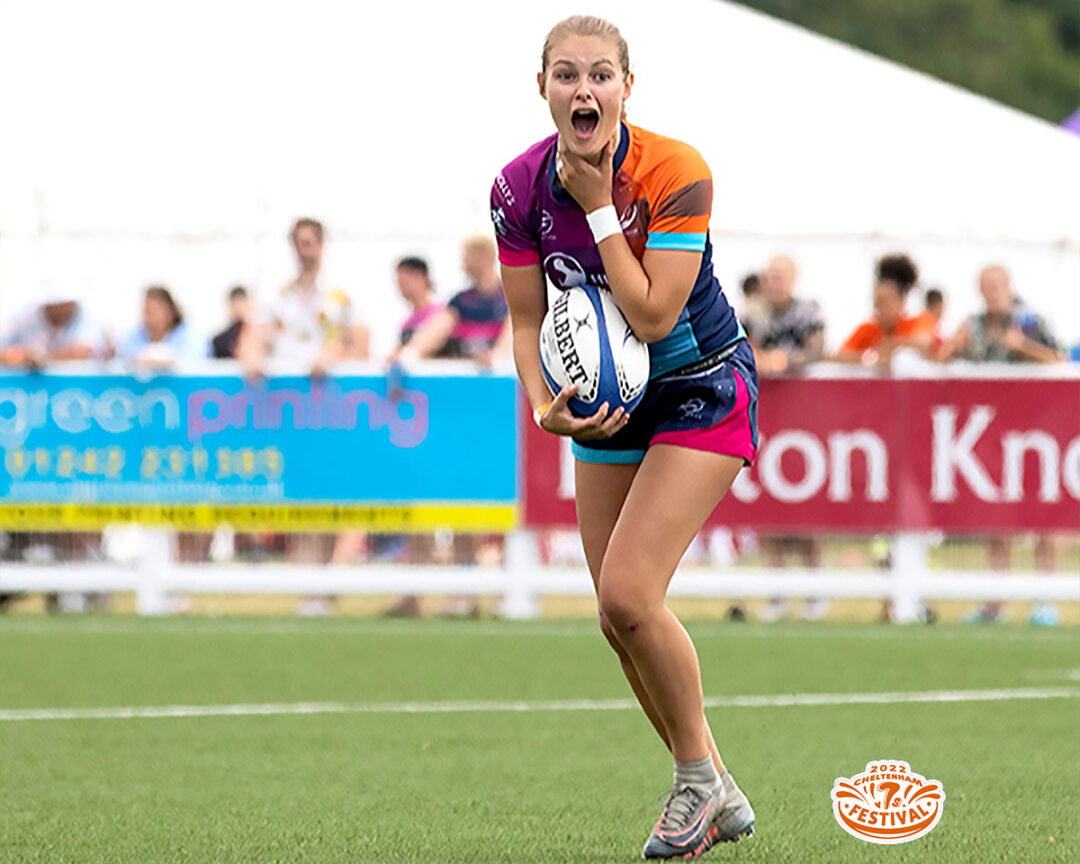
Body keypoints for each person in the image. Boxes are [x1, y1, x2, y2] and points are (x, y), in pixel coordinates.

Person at [491, 15, 756, 858]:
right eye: (566, 74)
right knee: (617, 617)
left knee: (630, 594)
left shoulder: (675, 171)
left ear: (626, 88)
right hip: (608, 401)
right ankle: (714, 782)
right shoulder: (516, 190)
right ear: (542, 88)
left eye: (601, 75)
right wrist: (543, 402)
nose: (584, 90)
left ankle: (695, 784)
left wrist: (600, 204)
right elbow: (526, 319)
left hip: (702, 385)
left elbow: (650, 316)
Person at [942, 265, 1065, 625]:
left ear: (1009, 286)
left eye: (997, 284)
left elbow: (1058, 361)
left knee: (1043, 516)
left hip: (1034, 434)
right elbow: (945, 360)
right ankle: (995, 602)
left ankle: (1046, 600)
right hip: (990, 434)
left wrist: (1023, 346)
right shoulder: (973, 325)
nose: (992, 291)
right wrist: (952, 349)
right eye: (986, 285)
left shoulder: (1030, 321)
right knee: (997, 517)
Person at [239, 217, 369, 377]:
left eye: (308, 243)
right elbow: (252, 339)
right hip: (284, 386)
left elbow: (362, 348)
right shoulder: (276, 297)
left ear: (322, 244)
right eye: (298, 244)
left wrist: (333, 358)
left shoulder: (343, 296)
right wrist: (252, 358)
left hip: (329, 386)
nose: (304, 251)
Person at [401, 236, 510, 365]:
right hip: (470, 363)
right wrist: (411, 353)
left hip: (500, 364)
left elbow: (514, 332)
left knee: (518, 320)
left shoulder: (508, 297)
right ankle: (409, 355)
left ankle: (498, 358)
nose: (463, 263)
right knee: (442, 320)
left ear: (481, 256)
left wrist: (497, 356)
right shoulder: (460, 301)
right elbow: (437, 328)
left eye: (466, 256)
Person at [835, 253, 935, 367]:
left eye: (885, 302)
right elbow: (840, 355)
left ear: (901, 300)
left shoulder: (919, 321)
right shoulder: (868, 329)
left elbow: (926, 342)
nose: (878, 309)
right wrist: (870, 358)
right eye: (876, 302)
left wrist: (892, 345)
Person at [1, 288, 109, 369]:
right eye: (55, 306)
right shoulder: (23, 320)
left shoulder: (88, 318)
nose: (61, 309)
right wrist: (19, 357)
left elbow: (82, 352)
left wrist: (41, 359)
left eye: (64, 304)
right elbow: (5, 352)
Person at [118, 286, 205, 369]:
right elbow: (123, 357)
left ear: (170, 311)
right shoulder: (134, 335)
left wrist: (167, 362)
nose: (150, 316)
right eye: (147, 310)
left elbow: (194, 360)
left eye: (155, 310)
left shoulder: (189, 336)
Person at [211, 286, 251, 359]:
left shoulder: (259, 336)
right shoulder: (219, 341)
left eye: (241, 301)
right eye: (236, 303)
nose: (239, 307)